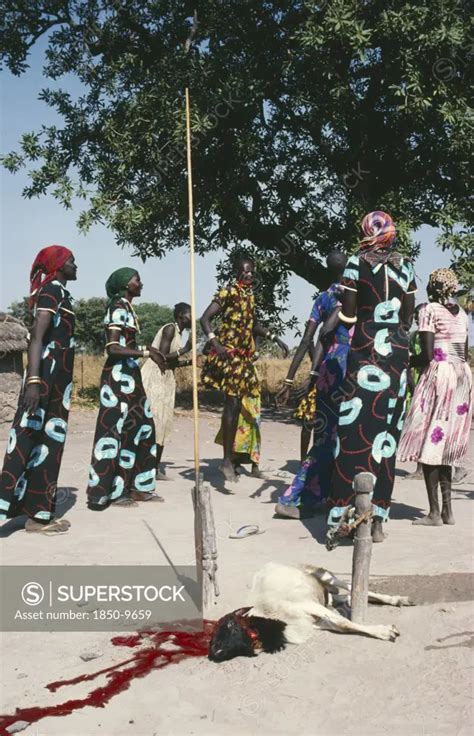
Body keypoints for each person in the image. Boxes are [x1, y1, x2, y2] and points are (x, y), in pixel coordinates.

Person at [326, 211, 416, 542]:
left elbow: (349, 314)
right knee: (385, 435)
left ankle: (343, 517)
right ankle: (378, 520)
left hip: (365, 352)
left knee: (353, 434)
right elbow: (408, 314)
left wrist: (348, 306)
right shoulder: (405, 265)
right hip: (396, 356)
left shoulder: (355, 263)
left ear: (365, 231)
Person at [0, 245, 78, 534]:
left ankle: (38, 514)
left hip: (58, 383)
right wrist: (33, 382)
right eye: (71, 260)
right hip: (44, 380)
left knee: (49, 446)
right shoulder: (51, 292)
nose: (76, 265)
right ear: (58, 265)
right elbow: (36, 338)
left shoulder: (61, 293)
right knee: (26, 440)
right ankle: (6, 505)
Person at [200, 255, 288, 482]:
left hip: (244, 359)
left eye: (251, 272)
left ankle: (235, 458)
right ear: (236, 271)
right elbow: (205, 318)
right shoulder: (227, 292)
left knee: (241, 406)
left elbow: (253, 325)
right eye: (244, 271)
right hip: (229, 357)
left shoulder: (250, 296)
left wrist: (275, 337)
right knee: (232, 404)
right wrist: (215, 343)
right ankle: (226, 460)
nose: (248, 275)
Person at [275, 262, 353, 519]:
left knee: (332, 439)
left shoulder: (325, 299)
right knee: (331, 439)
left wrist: (299, 377)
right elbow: (322, 336)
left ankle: (326, 496)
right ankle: (297, 498)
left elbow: (310, 339)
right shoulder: (351, 299)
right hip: (346, 373)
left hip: (331, 374)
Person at [87, 268, 165, 510]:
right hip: (117, 379)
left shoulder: (128, 308)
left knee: (143, 428)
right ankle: (108, 492)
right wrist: (146, 352)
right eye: (136, 279)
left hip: (132, 376)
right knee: (115, 432)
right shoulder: (118, 307)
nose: (140, 283)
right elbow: (112, 347)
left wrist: (143, 354)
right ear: (125, 284)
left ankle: (139, 487)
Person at [398, 269, 472, 526]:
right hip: (462, 375)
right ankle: (448, 512)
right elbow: (462, 351)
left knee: (429, 442)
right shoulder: (462, 314)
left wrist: (405, 361)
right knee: (446, 446)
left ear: (434, 287)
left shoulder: (429, 310)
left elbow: (428, 354)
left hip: (439, 376)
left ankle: (433, 513)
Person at [141, 302, 192, 479]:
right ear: (180, 315)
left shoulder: (178, 333)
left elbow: (171, 363)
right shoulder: (170, 329)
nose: (191, 318)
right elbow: (161, 357)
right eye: (189, 314)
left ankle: (154, 468)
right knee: (154, 421)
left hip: (166, 379)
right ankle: (145, 467)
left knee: (164, 423)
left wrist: (189, 362)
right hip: (155, 377)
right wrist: (185, 350)